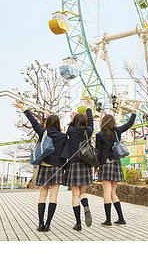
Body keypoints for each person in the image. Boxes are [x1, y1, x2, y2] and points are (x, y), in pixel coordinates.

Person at [12, 101, 66, 232]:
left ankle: (40, 223)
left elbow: (33, 121)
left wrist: (23, 108)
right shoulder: (63, 136)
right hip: (57, 168)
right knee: (53, 196)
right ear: (58, 124)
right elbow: (65, 153)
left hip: (44, 166)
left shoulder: (43, 132)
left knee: (42, 195)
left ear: (48, 123)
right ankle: (48, 224)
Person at [96, 102, 139, 227]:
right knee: (113, 192)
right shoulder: (117, 131)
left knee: (106, 192)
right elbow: (129, 124)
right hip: (116, 164)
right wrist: (134, 111)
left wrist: (97, 165)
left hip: (105, 165)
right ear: (112, 122)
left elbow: (98, 152)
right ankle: (121, 218)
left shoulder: (100, 135)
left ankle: (108, 220)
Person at [61, 97, 94, 231]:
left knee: (75, 195)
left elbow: (68, 130)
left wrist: (71, 119)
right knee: (82, 193)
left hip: (73, 164)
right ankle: (86, 206)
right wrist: (88, 107)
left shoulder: (71, 131)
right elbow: (91, 122)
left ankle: (78, 223)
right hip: (85, 164)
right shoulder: (88, 131)